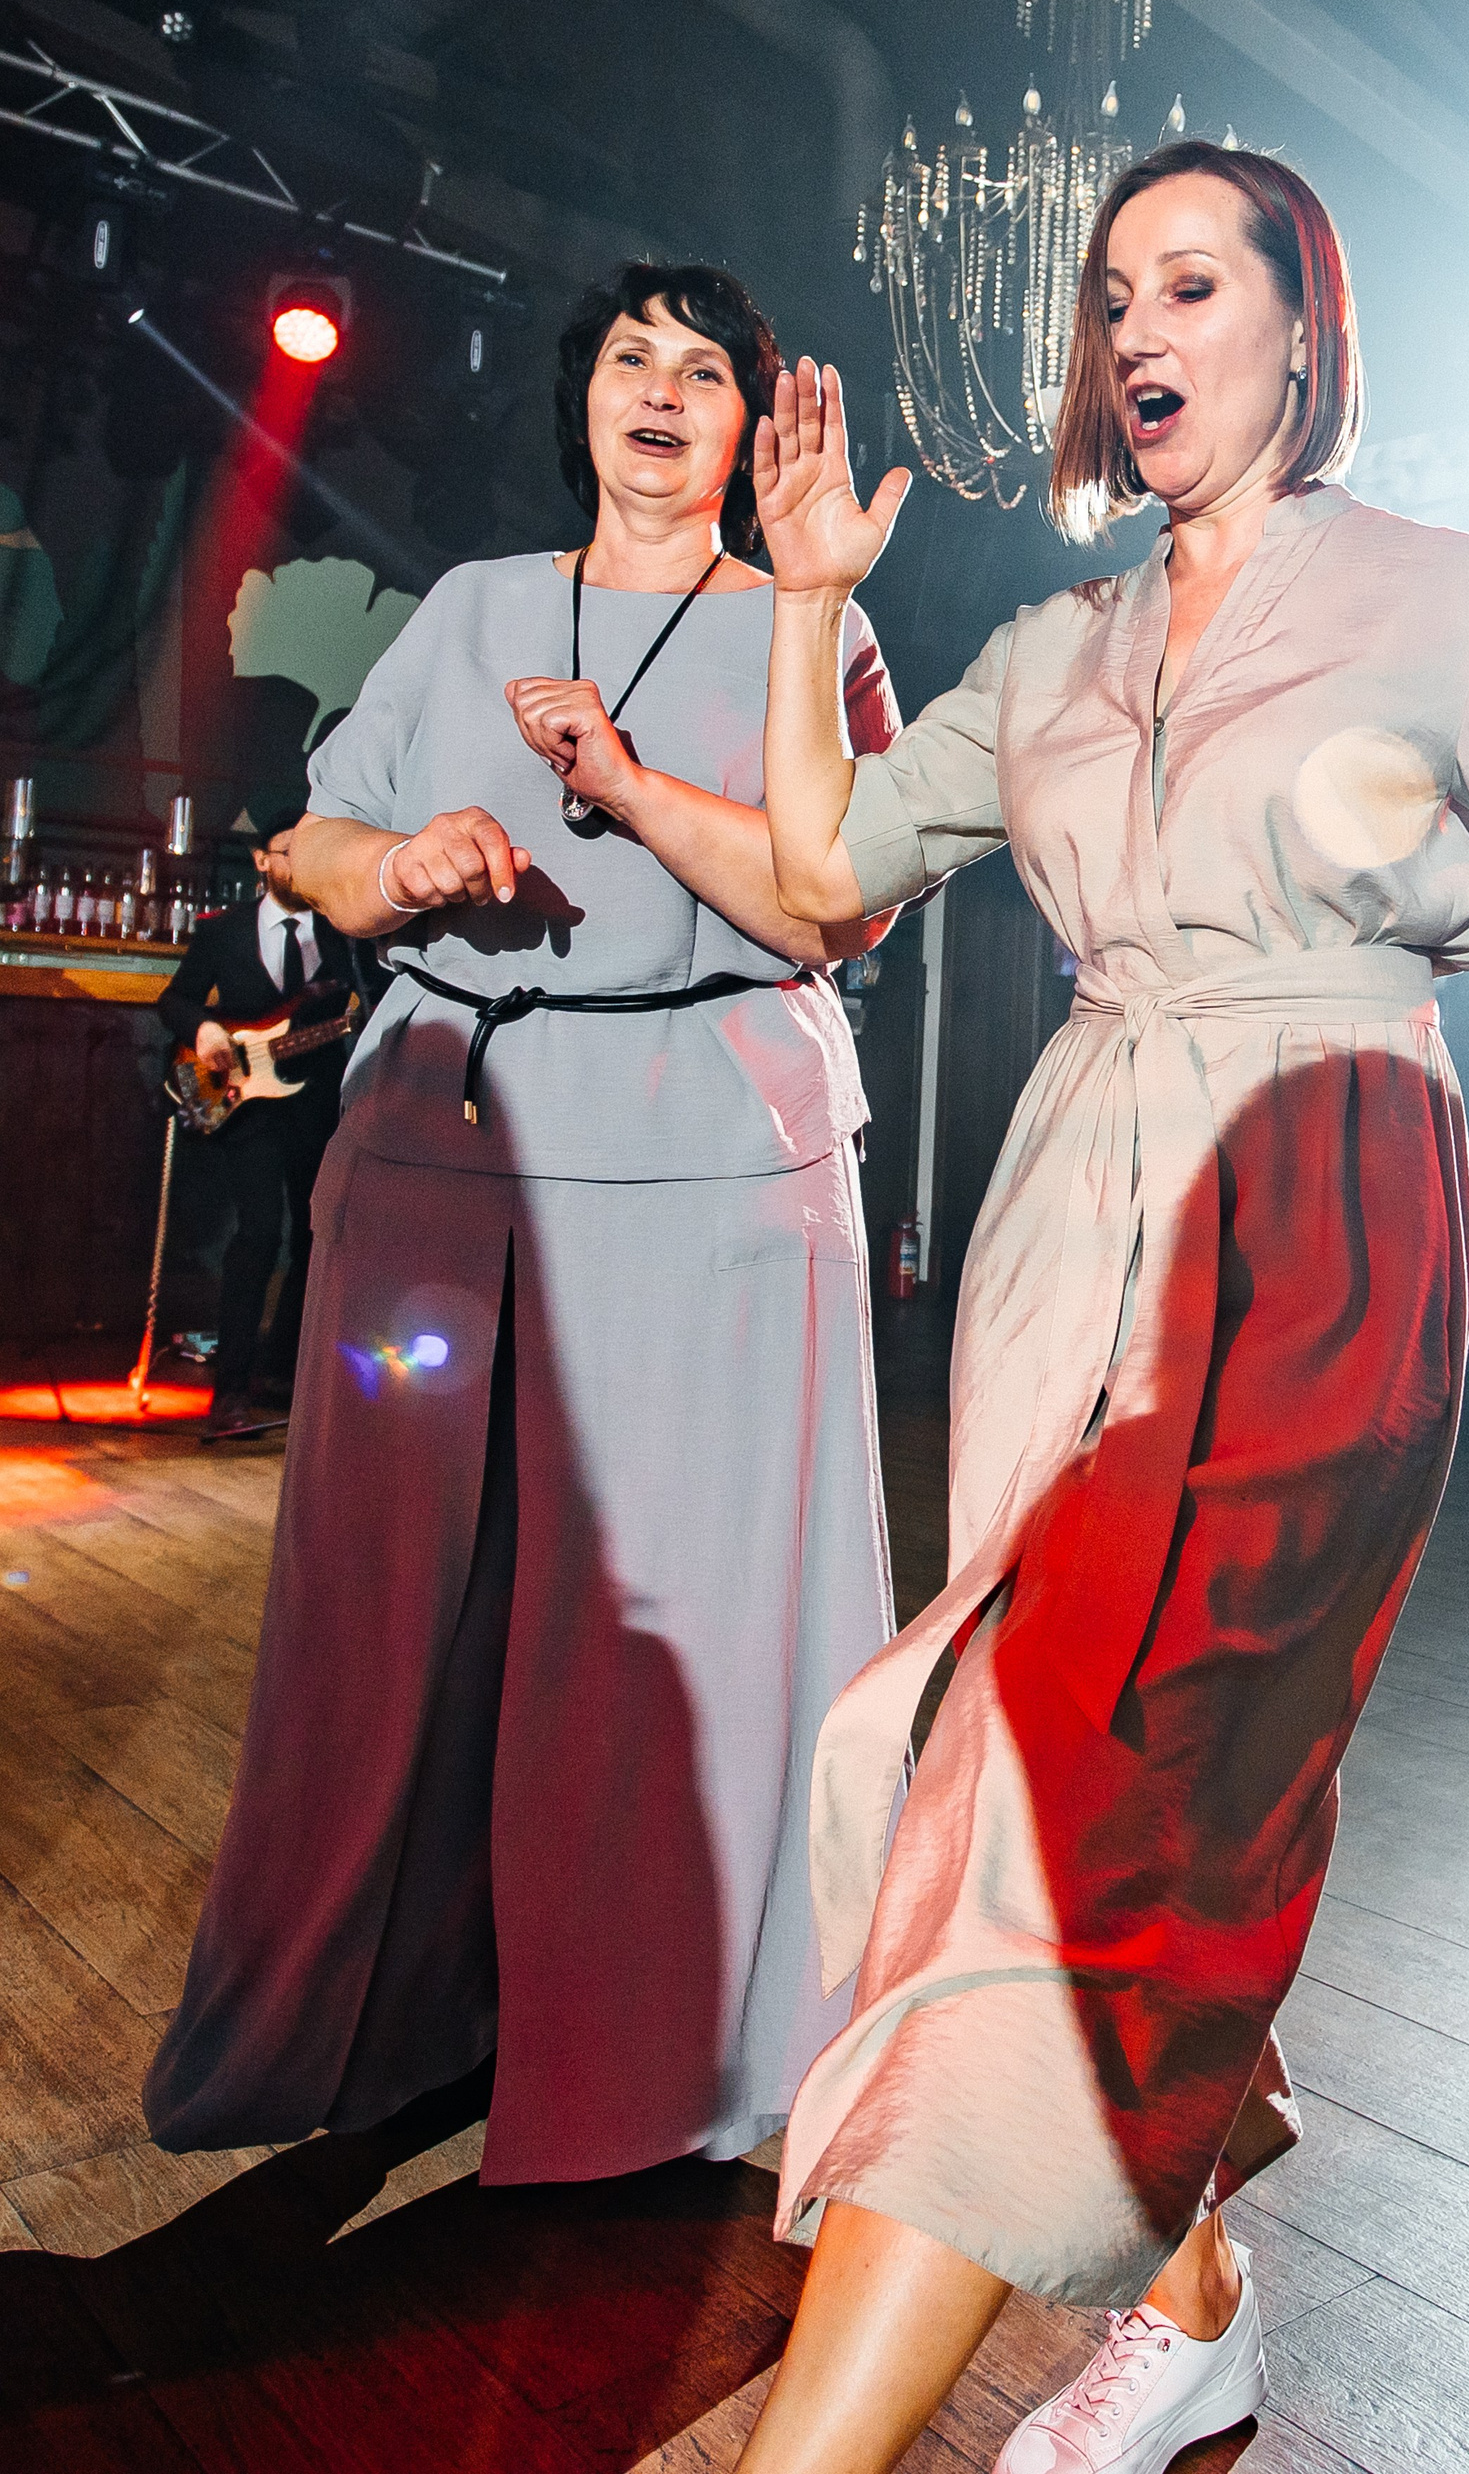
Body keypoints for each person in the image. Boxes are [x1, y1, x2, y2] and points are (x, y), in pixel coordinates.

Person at [738, 140, 1469, 2474]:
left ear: (1302, 322)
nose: (1139, 326)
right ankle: (1192, 2306)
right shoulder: (1051, 649)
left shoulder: (1454, 597)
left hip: (1314, 1205)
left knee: (1056, 1784)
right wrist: (804, 605)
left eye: (1192, 280)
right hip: (1069, 1218)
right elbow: (818, 873)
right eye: (1114, 294)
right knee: (1051, 1769)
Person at [145, 262, 902, 2188]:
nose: (660, 389)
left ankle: (661, 2046)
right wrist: (398, 865)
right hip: (444, 1153)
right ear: (580, 399)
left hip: (711, 1167)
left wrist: (627, 796)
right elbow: (311, 844)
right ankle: (396, 2016)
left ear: (750, 430)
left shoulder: (813, 624)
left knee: (668, 1627)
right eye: (630, 358)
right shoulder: (476, 605)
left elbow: (837, 909)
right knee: (396, 1613)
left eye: (705, 369)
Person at [155, 795, 355, 1435]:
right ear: (262, 860)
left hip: (317, 1102)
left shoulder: (343, 931)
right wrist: (206, 1029)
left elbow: (368, 999)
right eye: (288, 853)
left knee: (315, 1237)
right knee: (258, 1235)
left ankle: (281, 1371)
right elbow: (175, 999)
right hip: (248, 1105)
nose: (299, 864)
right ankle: (231, 1390)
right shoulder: (225, 931)